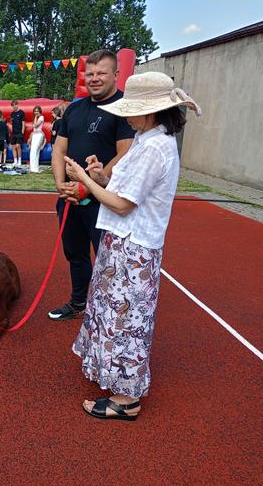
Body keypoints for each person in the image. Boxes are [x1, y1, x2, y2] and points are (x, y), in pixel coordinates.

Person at [63, 71, 201, 420]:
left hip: (133, 247)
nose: (126, 116)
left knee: (127, 322)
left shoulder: (155, 147)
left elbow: (123, 204)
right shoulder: (147, 139)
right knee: (115, 316)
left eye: (132, 110)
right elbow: (123, 190)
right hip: (125, 241)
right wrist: (101, 176)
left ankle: (126, 400)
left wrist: (82, 180)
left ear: (151, 111)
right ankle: (117, 383)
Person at [49, 49, 135, 322]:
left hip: (103, 200)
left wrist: (88, 186)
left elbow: (125, 153)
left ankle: (111, 310)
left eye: (101, 73)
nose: (95, 78)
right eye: (90, 73)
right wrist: (62, 186)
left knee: (108, 259)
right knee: (75, 253)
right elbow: (59, 149)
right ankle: (78, 303)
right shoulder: (74, 108)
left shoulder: (123, 109)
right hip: (70, 199)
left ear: (116, 75)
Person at [27, 106, 45, 173]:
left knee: (34, 151)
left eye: (37, 111)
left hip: (38, 135)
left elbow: (35, 125)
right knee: (34, 151)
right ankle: (34, 168)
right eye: (35, 111)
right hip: (35, 135)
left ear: (40, 111)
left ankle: (34, 168)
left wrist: (35, 118)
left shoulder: (41, 117)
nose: (36, 112)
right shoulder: (37, 117)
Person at [10, 100, 26, 166]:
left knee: (18, 146)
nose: (14, 107)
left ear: (17, 104)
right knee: (13, 147)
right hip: (14, 133)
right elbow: (12, 123)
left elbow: (23, 123)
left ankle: (19, 160)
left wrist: (22, 132)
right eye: (13, 106)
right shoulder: (12, 113)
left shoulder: (22, 112)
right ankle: (15, 160)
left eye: (15, 105)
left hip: (19, 132)